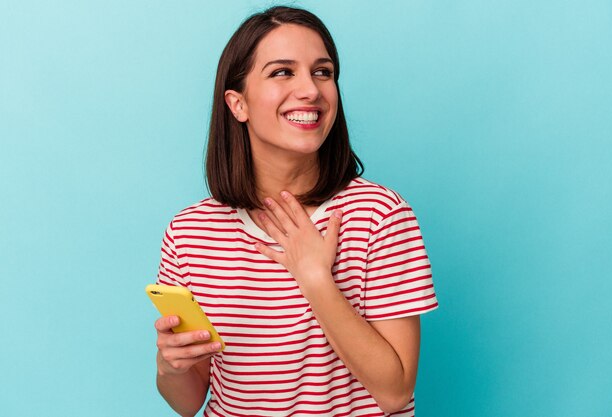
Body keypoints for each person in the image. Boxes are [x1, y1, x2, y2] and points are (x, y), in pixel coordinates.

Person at [153, 6, 438, 417]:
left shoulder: (379, 215)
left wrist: (315, 278)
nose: (311, 90)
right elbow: (188, 402)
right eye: (282, 72)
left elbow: (394, 392)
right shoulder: (190, 232)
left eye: (322, 72)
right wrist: (170, 367)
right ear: (238, 104)